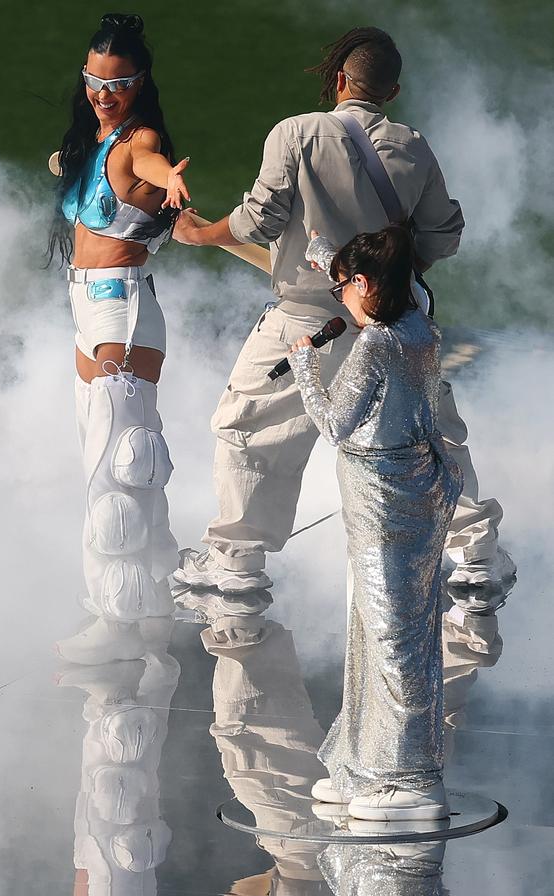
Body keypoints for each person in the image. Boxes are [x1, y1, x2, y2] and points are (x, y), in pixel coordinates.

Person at [172, 26, 514, 595]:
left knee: (251, 432)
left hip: (305, 318)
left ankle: (236, 563)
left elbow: (258, 221)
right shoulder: (413, 146)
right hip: (395, 321)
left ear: (338, 80)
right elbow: (445, 235)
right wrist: (392, 273)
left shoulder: (296, 133)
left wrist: (201, 233)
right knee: (433, 440)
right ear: (393, 90)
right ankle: (478, 555)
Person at [288, 225, 462, 820]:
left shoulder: (379, 344)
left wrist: (305, 366)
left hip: (385, 498)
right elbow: (394, 274)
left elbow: (337, 424)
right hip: (411, 490)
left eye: (341, 288)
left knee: (390, 630)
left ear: (364, 284)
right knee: (385, 621)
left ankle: (409, 777)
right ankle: (366, 762)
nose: (339, 300)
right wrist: (323, 255)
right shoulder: (420, 325)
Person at [49, 13, 187, 664]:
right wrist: (65, 160)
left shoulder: (140, 140)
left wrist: (170, 179)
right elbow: (80, 166)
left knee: (118, 471)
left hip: (119, 309)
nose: (104, 94)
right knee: (109, 463)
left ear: (141, 83)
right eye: (94, 81)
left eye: (119, 83)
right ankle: (153, 604)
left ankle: (118, 625)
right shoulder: (98, 136)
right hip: (90, 309)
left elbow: (153, 162)